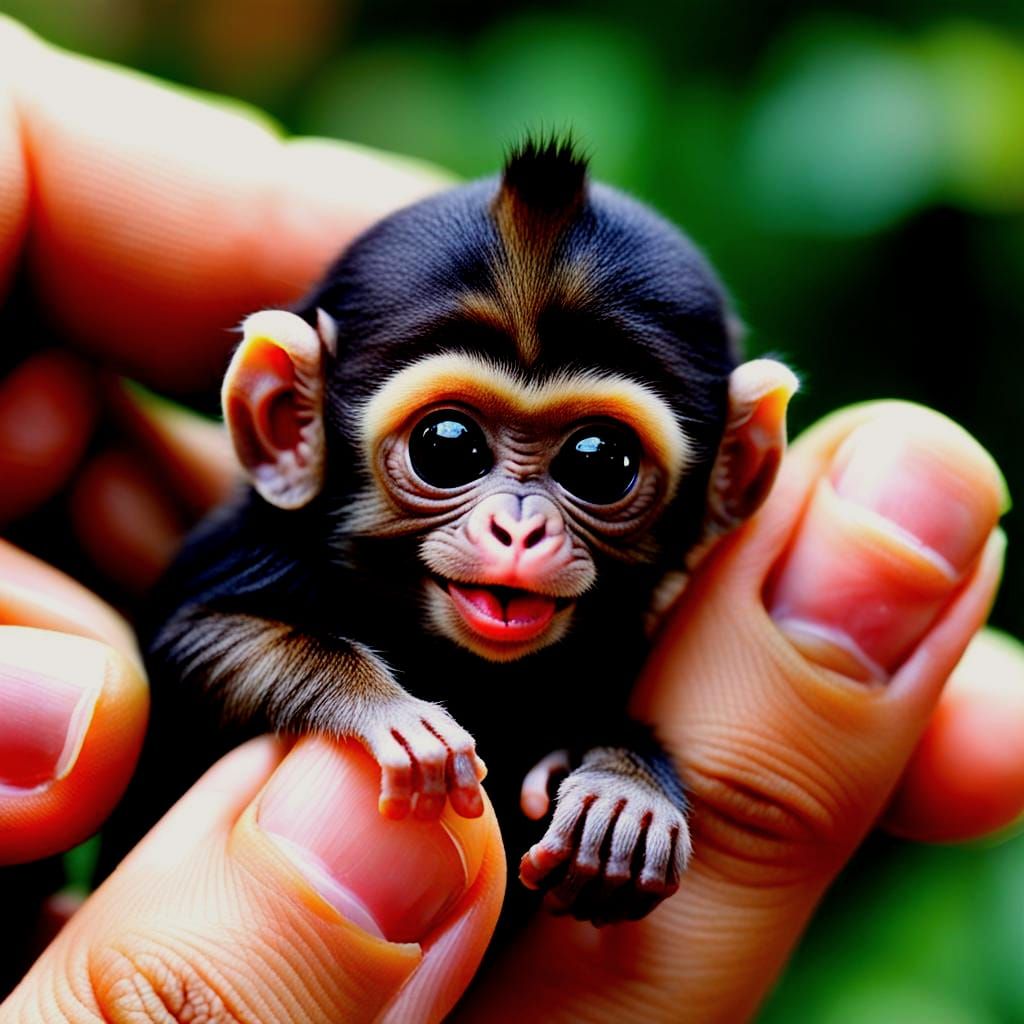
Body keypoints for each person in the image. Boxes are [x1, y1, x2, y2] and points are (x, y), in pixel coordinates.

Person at [0, 17, 1022, 1022]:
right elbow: (202, 644)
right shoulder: (258, 571)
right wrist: (358, 704)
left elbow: (606, 722)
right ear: (287, 421)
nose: (519, 526)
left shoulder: (618, 631)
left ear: (735, 468)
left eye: (596, 462)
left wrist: (627, 793)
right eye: (448, 452)